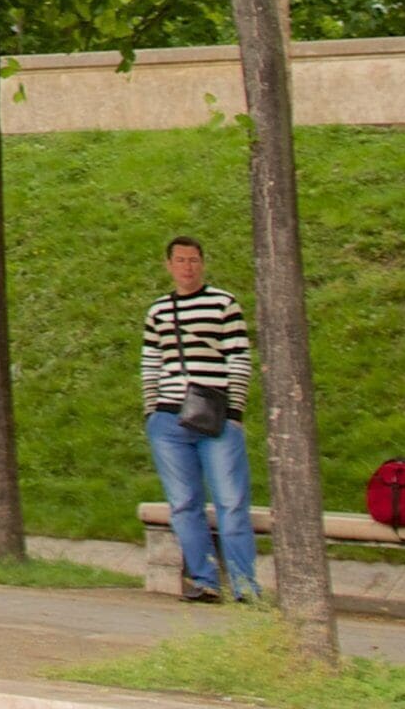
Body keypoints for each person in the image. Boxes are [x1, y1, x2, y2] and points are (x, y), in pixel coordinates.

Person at [141, 234, 258, 602]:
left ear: (202, 264)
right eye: (180, 260)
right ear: (169, 265)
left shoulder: (224, 304)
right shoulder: (158, 311)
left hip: (215, 415)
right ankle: (205, 579)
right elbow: (150, 364)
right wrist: (150, 410)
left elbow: (238, 356)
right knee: (184, 503)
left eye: (193, 260)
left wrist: (235, 409)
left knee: (231, 501)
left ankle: (244, 586)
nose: (187, 267)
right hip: (168, 417)